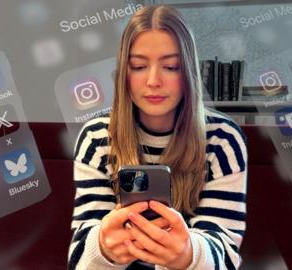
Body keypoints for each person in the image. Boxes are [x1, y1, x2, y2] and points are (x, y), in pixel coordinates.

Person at [68, 5, 247, 270]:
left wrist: (187, 255)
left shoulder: (222, 139)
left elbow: (224, 257)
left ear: (188, 71)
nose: (153, 80)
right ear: (124, 74)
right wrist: (104, 249)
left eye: (171, 66)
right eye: (139, 66)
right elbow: (80, 260)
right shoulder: (96, 137)